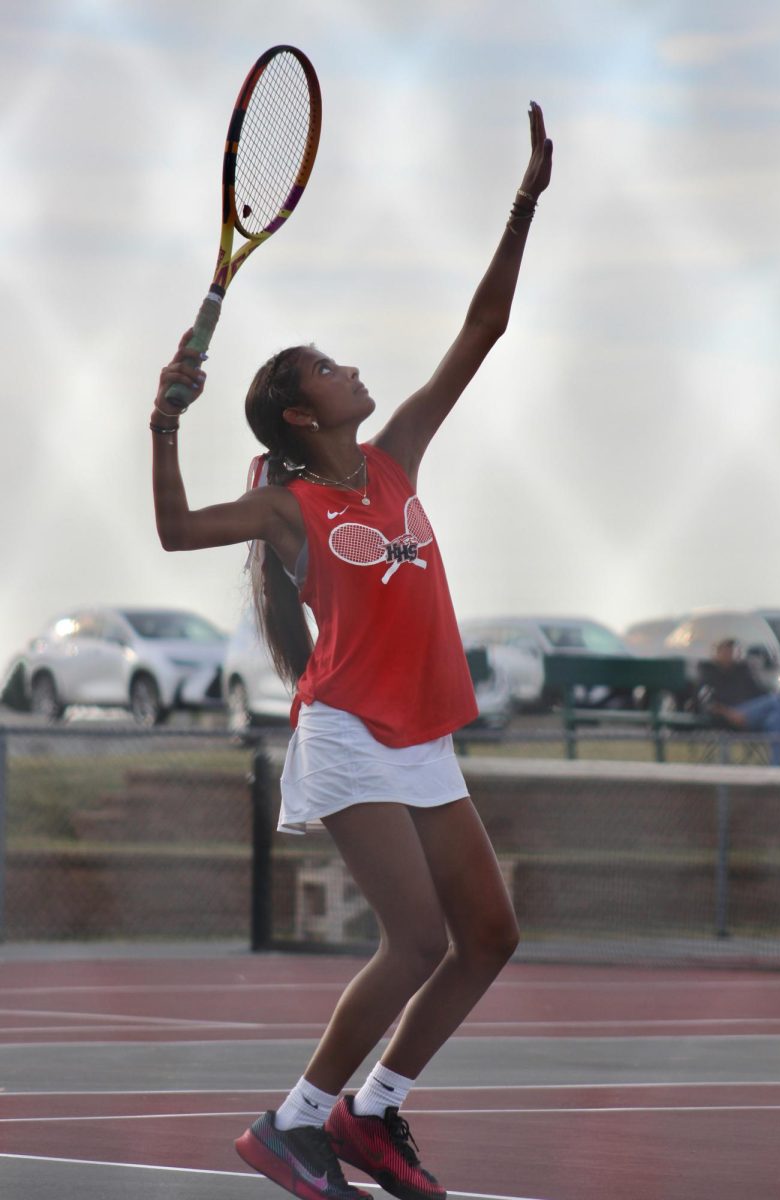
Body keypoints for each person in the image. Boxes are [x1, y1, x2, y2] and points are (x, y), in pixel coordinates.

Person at [151, 102, 552, 1200]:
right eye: (329, 366)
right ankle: (290, 1124)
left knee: (487, 935)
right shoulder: (283, 504)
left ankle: (372, 1115)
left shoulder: (392, 460)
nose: (352, 369)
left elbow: (481, 333)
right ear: (295, 406)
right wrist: (163, 426)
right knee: (415, 940)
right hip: (347, 733)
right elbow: (177, 533)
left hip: (419, 732)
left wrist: (523, 204)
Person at [700, 637, 780, 766]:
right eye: (725, 650)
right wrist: (729, 714)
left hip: (751, 714)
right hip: (729, 716)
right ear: (717, 652)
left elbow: (760, 693)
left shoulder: (742, 670)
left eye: (730, 650)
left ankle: (776, 768)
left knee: (775, 720)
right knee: (776, 700)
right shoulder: (708, 673)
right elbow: (706, 702)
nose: (728, 654)